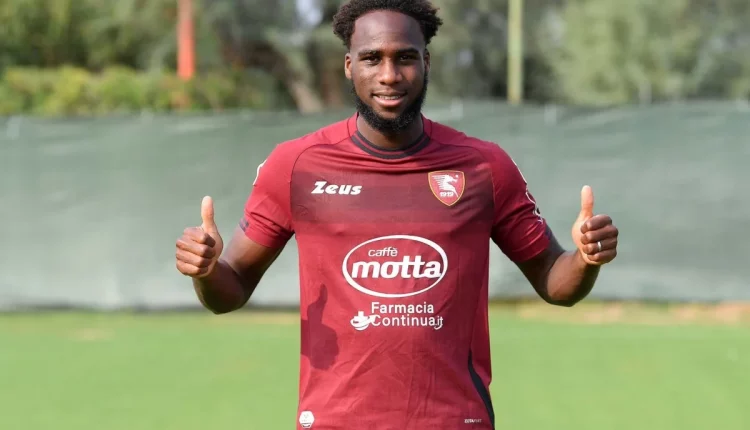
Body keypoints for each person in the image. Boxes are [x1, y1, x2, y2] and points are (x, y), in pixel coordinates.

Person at [175, 0, 619, 428]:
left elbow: (555, 282)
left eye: (404, 57)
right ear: (349, 65)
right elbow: (230, 289)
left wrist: (586, 258)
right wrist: (206, 270)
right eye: (372, 58)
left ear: (426, 62)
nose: (389, 75)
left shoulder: (484, 166)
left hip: (452, 423)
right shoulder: (296, 165)